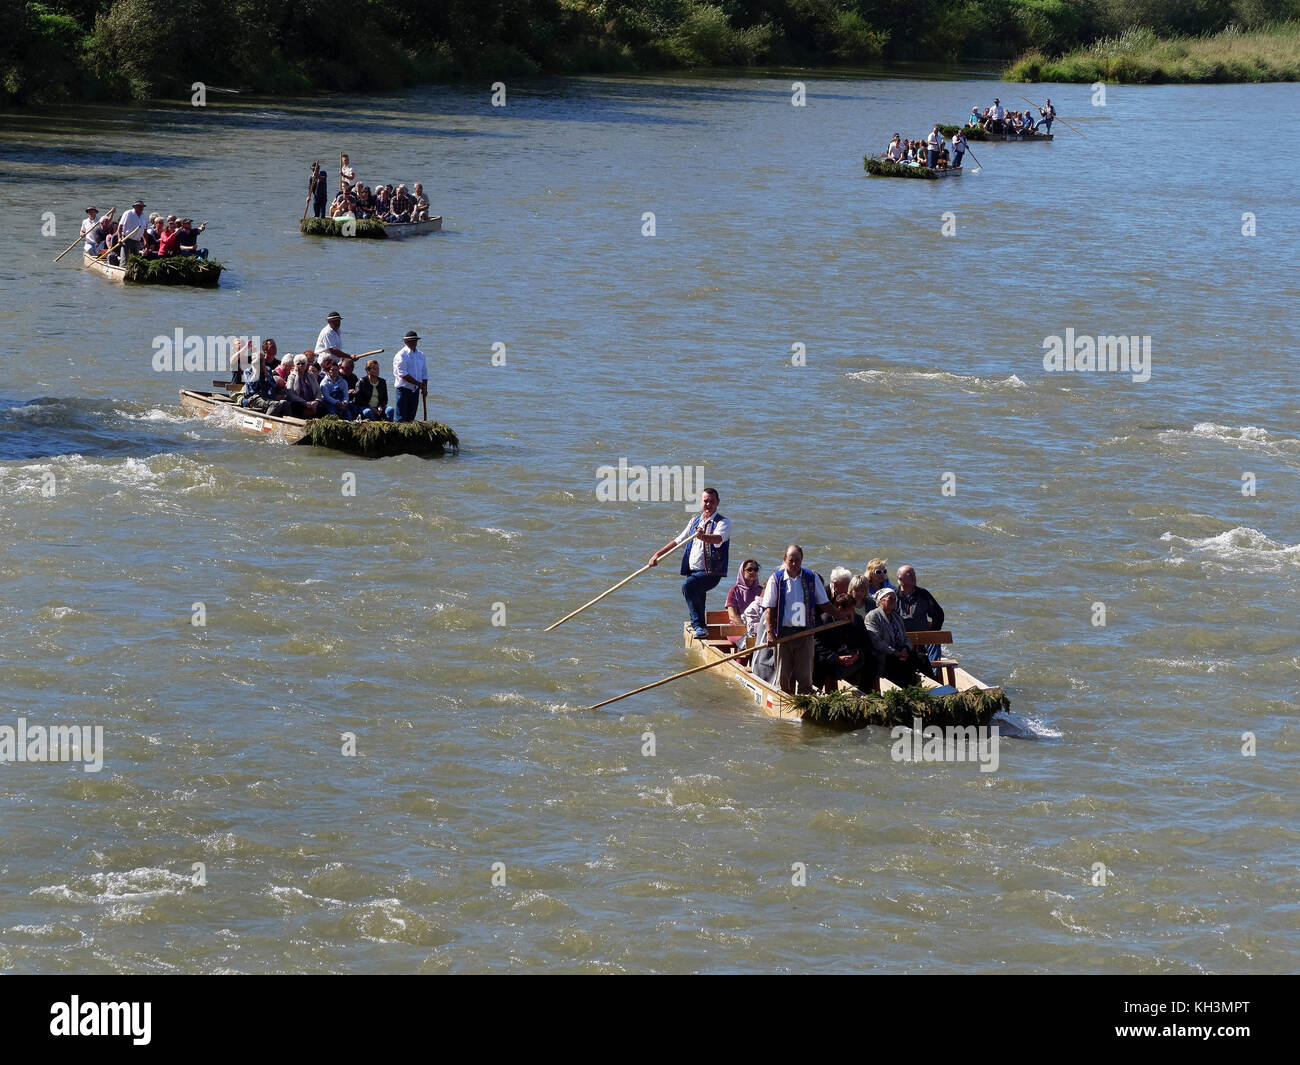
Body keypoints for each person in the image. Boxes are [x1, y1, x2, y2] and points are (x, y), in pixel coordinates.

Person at [648, 487, 731, 640]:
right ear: (701, 502)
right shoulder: (695, 521)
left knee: (688, 585)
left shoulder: (723, 522)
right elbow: (679, 540)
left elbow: (718, 539)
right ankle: (702, 629)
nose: (708, 504)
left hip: (711, 572)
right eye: (705, 501)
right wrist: (658, 554)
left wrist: (702, 536)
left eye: (712, 501)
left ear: (717, 502)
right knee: (698, 599)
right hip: (693, 570)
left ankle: (698, 625)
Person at [760, 544, 829, 694]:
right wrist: (770, 632)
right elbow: (769, 609)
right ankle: (782, 699)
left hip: (805, 633)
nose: (794, 563)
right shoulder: (776, 579)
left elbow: (824, 603)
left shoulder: (811, 577)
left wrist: (841, 615)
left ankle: (805, 698)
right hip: (783, 634)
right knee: (783, 675)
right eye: (791, 560)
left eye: (797, 560)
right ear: (785, 559)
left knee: (805, 675)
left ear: (802, 560)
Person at [865, 587, 935, 688]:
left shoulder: (896, 617)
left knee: (922, 658)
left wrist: (905, 649)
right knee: (899, 665)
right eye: (890, 599)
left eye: (895, 599)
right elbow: (877, 641)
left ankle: (933, 686)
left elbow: (905, 637)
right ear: (881, 601)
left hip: (900, 653)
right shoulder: (873, 616)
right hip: (886, 655)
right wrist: (895, 652)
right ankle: (905, 690)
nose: (893, 602)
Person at [813, 593, 876, 693]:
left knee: (872, 661)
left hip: (852, 657)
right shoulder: (825, 619)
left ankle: (864, 694)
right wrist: (836, 657)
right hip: (832, 658)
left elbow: (866, 643)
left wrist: (857, 654)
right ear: (838, 608)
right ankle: (817, 695)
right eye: (848, 610)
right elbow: (817, 644)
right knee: (819, 662)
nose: (851, 613)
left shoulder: (857, 619)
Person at [895, 565, 946, 662]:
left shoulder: (923, 594)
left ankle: (935, 673)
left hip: (923, 639)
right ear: (900, 578)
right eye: (910, 575)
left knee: (935, 640)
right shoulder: (894, 596)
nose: (914, 577)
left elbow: (938, 614)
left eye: (914, 574)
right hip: (902, 640)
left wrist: (932, 632)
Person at [389, 330, 427, 422]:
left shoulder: (420, 355)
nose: (414, 342)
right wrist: (418, 384)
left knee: (411, 418)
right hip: (403, 390)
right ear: (405, 342)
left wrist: (424, 387)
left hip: (415, 390)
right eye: (411, 340)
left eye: (415, 340)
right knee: (401, 418)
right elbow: (403, 374)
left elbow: (424, 373)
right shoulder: (401, 355)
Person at [725, 560, 763, 652]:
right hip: (736, 628)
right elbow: (732, 616)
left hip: (755, 627)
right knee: (746, 640)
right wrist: (746, 629)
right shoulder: (734, 591)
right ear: (742, 572)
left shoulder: (761, 591)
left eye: (755, 569)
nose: (753, 572)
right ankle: (740, 665)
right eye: (750, 569)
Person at [285, 352, 324, 417]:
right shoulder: (292, 377)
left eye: (302, 364)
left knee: (323, 408)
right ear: (295, 365)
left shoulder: (310, 375)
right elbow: (290, 394)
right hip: (299, 403)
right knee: (298, 407)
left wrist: (316, 401)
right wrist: (305, 403)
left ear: (306, 365)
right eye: (298, 364)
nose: (300, 366)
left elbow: (318, 391)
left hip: (312, 402)